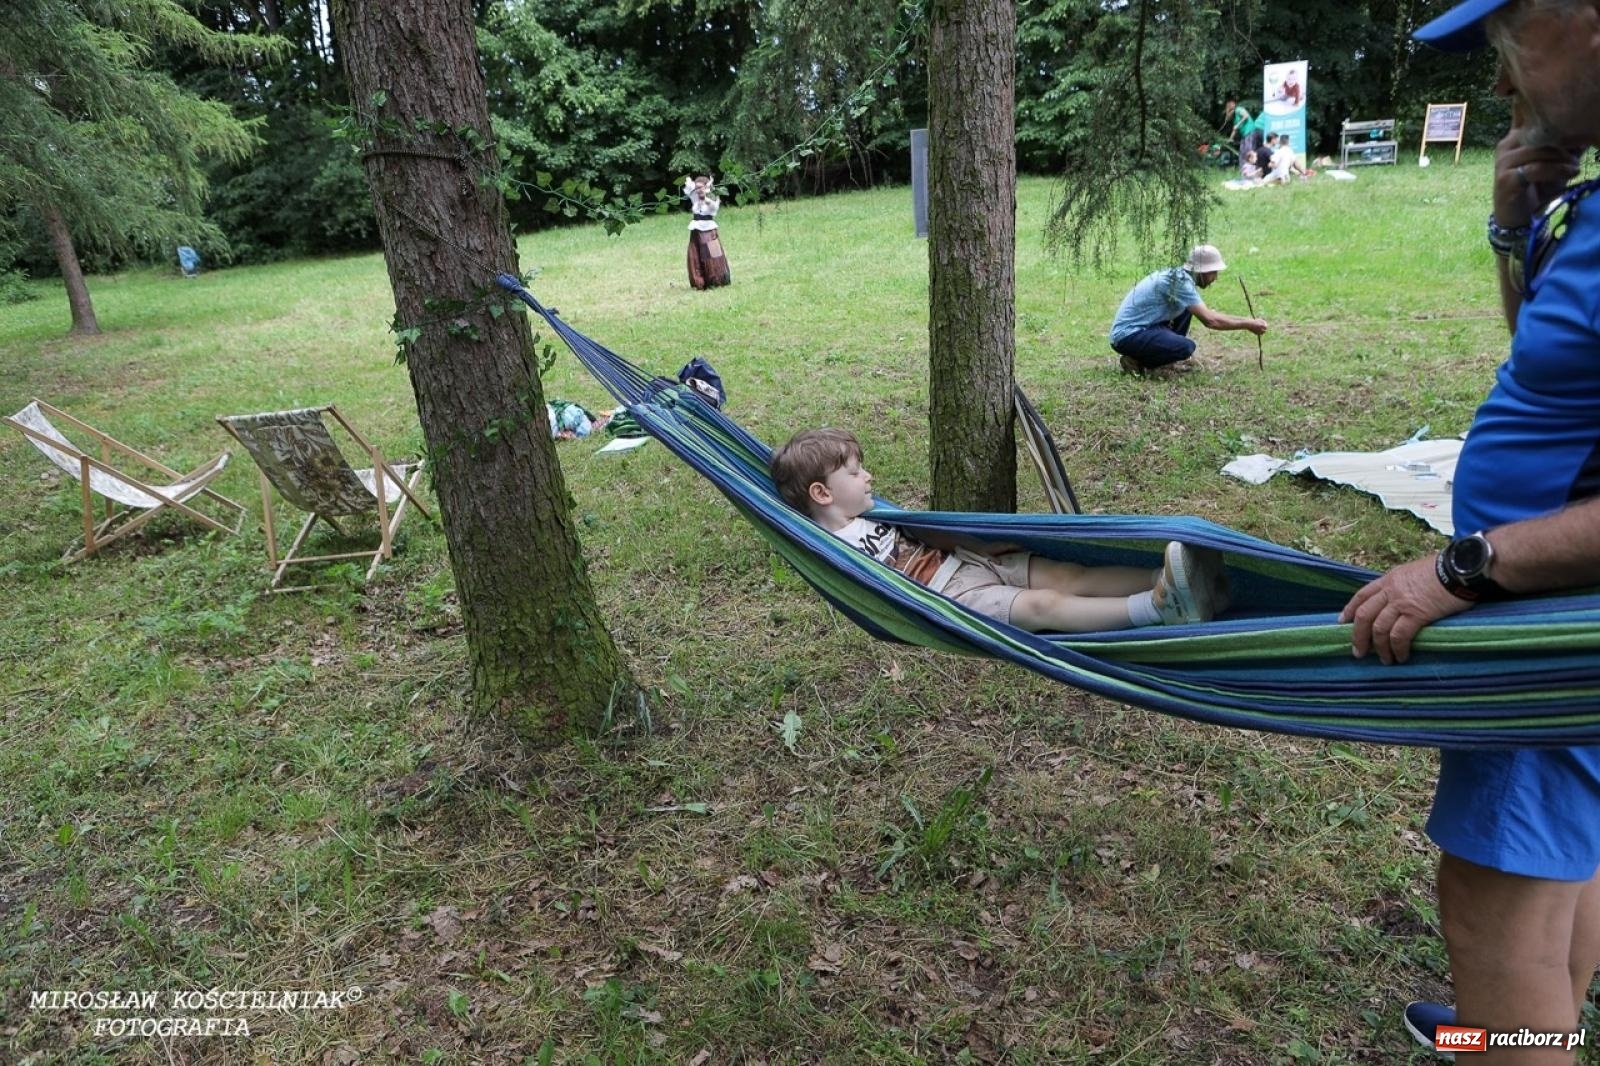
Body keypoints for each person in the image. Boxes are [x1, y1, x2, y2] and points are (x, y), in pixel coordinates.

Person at [1338, 1, 1600, 1061]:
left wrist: (1465, 568)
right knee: (1556, 870)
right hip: (1554, 623)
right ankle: (1529, 1026)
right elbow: (1553, 378)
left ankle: (1510, 1040)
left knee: (1495, 903)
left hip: (1545, 620)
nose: (1500, 86)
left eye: (1507, 46)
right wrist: (1513, 232)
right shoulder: (1584, 203)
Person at [769, 428, 1228, 632]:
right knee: (1045, 606)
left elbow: (928, 533)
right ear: (822, 494)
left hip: (971, 562)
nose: (868, 477)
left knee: (1069, 574)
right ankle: (1155, 610)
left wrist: (979, 545)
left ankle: (1172, 580)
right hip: (951, 600)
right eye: (854, 473)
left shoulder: (874, 514)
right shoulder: (826, 545)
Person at [1108, 244, 1268, 374]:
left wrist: (1249, 322)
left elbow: (1208, 313)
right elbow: (1211, 320)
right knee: (1185, 347)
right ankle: (1138, 362)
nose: (1215, 278)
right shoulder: (1180, 283)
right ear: (1202, 271)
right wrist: (1248, 324)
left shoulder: (1181, 278)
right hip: (1127, 336)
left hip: (1141, 329)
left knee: (1187, 309)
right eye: (1213, 273)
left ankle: (1160, 356)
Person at [683, 174, 730, 290]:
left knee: (711, 255)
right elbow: (689, 189)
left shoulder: (712, 198)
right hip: (696, 230)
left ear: (706, 187)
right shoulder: (695, 197)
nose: (699, 190)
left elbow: (714, 208)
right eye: (697, 188)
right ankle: (699, 281)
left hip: (709, 231)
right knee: (695, 255)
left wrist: (706, 199)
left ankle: (715, 281)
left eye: (701, 188)